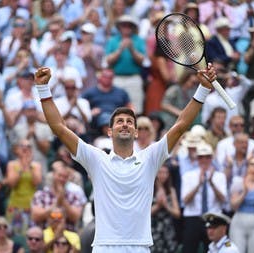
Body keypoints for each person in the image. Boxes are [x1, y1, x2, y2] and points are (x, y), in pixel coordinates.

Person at [33, 63, 217, 252]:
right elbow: (60, 129)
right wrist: (43, 88)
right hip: (105, 247)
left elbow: (181, 125)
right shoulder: (97, 159)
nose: (125, 124)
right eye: (120, 121)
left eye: (130, 122)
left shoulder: (150, 158)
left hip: (139, 247)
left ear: (136, 132)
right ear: (110, 132)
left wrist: (203, 89)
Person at [181, 142, 227, 253]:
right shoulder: (188, 175)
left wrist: (211, 183)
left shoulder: (220, 176)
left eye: (207, 157)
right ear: (197, 159)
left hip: (212, 218)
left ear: (211, 158)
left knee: (212, 250)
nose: (204, 160)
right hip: (193, 218)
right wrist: (198, 185)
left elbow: (223, 200)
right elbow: (185, 200)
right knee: (189, 250)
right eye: (201, 157)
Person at [4, 138, 43, 235]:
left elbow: (36, 182)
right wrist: (22, 167)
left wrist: (29, 165)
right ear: (16, 149)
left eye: (28, 146)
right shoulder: (12, 164)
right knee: (13, 234)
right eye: (22, 146)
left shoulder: (36, 165)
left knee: (31, 235)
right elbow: (12, 183)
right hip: (15, 205)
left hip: (31, 206)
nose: (25, 149)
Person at [150, 164, 180, 253]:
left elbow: (177, 213)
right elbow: (144, 215)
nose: (163, 175)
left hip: (167, 229)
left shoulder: (171, 190)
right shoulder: (149, 189)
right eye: (160, 172)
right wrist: (158, 206)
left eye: (165, 173)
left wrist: (167, 206)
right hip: (153, 229)